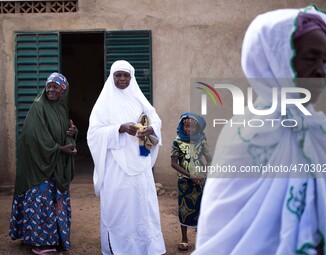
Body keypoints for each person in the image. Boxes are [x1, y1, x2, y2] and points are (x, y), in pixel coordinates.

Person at [193, 5, 326, 255]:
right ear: (274, 60)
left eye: (325, 60)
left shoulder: (321, 129)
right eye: (310, 58)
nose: (321, 70)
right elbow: (223, 226)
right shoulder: (245, 134)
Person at [87, 60, 166, 255]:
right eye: (118, 75)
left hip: (139, 161)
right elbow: (93, 133)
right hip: (115, 165)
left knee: (142, 206)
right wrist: (120, 128)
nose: (122, 79)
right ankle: (118, 246)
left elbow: (155, 118)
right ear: (112, 77)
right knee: (118, 206)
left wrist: (151, 128)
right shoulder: (104, 102)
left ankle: (145, 247)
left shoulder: (138, 98)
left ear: (132, 77)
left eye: (126, 75)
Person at [9, 73, 78, 255]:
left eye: (55, 86)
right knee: (41, 201)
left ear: (64, 90)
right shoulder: (38, 106)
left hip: (56, 165)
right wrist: (59, 149)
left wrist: (72, 132)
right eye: (48, 86)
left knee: (55, 202)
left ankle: (56, 239)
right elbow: (33, 136)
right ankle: (40, 243)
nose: (51, 90)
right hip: (39, 165)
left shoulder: (61, 109)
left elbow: (62, 132)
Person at [171, 112, 212, 252]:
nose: (188, 129)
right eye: (186, 126)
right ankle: (184, 238)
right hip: (185, 182)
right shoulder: (177, 142)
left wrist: (203, 173)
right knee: (184, 209)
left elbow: (209, 158)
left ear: (198, 128)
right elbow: (174, 163)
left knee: (201, 208)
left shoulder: (202, 141)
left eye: (192, 127)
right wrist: (190, 175)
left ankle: (201, 238)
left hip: (200, 181)